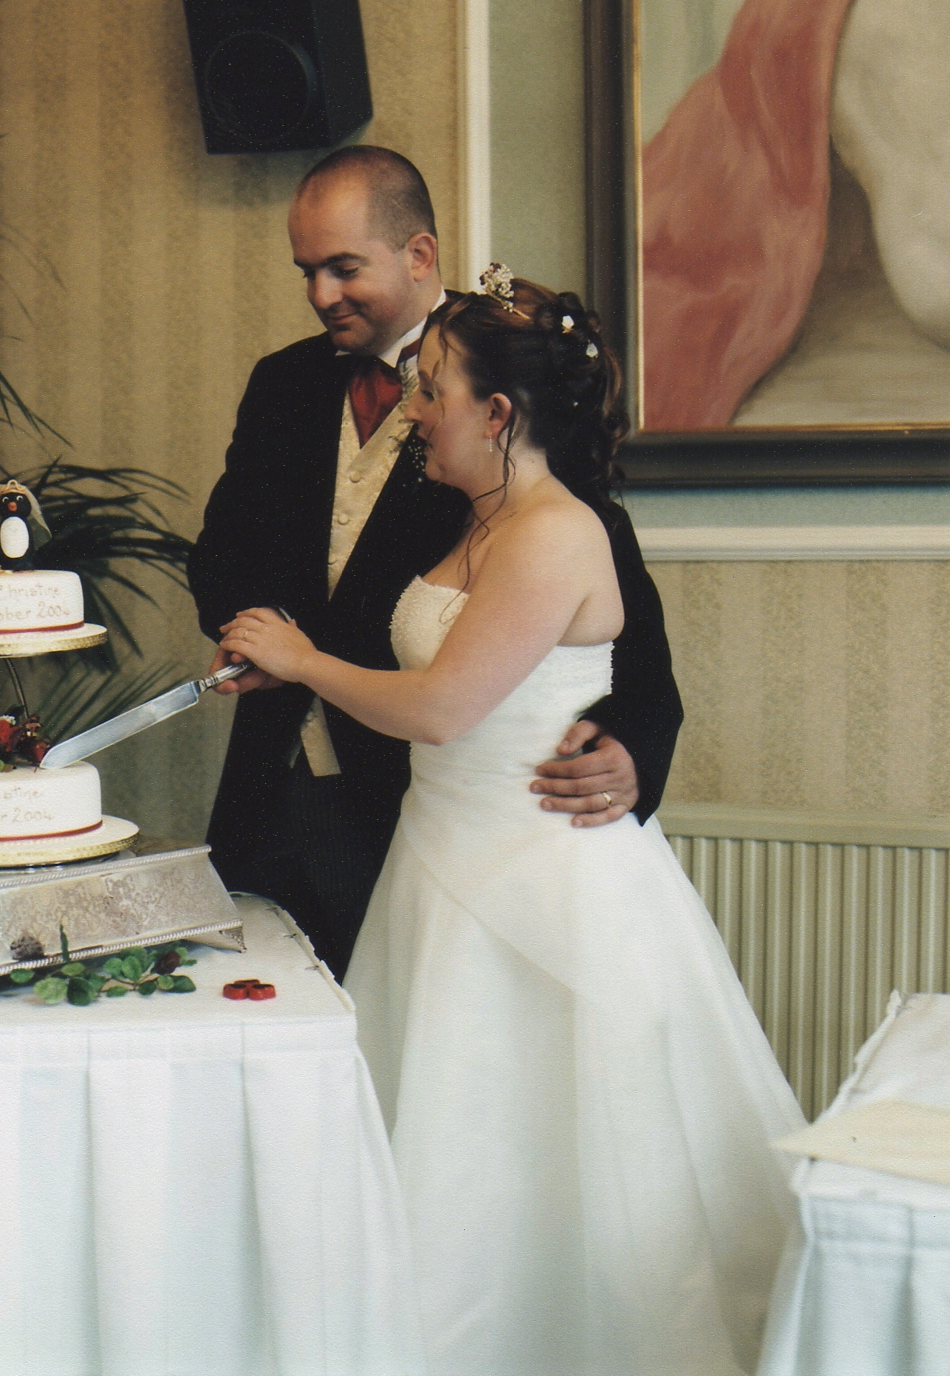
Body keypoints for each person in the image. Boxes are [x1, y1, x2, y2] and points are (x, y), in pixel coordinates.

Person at [224, 276, 805, 1376]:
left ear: (497, 413)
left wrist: (303, 659)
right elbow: (379, 633)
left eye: (431, 387)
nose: (411, 406)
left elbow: (445, 705)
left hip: (536, 874)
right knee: (453, 1157)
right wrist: (284, 667)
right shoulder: (465, 511)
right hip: (433, 861)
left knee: (562, 1161)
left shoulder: (556, 530)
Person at [187, 146, 683, 979]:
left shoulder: (507, 370)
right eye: (306, 271)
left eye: (343, 268)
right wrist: (254, 635)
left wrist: (636, 745)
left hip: (419, 805)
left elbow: (620, 621)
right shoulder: (283, 383)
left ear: (419, 255)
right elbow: (222, 553)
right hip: (273, 790)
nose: (320, 295)